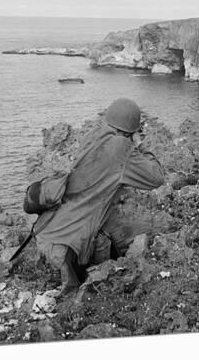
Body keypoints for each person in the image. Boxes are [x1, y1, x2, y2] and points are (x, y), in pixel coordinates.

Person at [32, 98, 164, 293]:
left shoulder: (93, 135)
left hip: (45, 234)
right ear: (132, 130)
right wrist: (140, 144)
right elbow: (157, 177)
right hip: (67, 255)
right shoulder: (122, 148)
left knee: (109, 229)